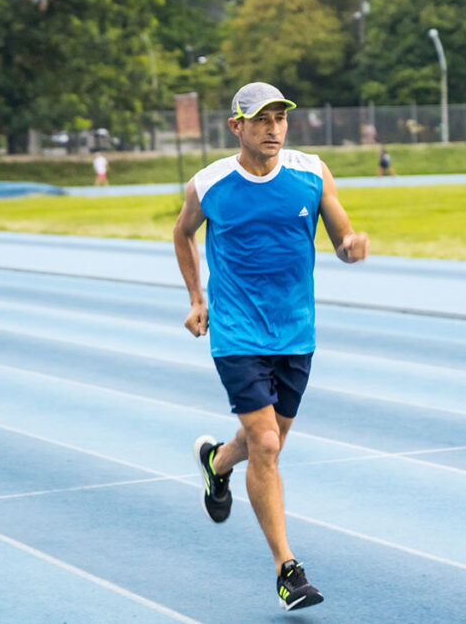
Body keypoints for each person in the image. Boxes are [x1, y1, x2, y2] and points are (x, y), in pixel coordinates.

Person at [173, 81, 369, 612]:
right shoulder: (210, 183)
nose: (273, 128)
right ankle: (288, 569)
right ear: (237, 126)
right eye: (261, 119)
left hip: (295, 332)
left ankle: (216, 462)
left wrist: (351, 248)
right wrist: (197, 299)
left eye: (280, 118)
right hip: (237, 333)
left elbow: (341, 239)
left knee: (269, 442)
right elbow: (183, 233)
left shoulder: (311, 172)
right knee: (265, 443)